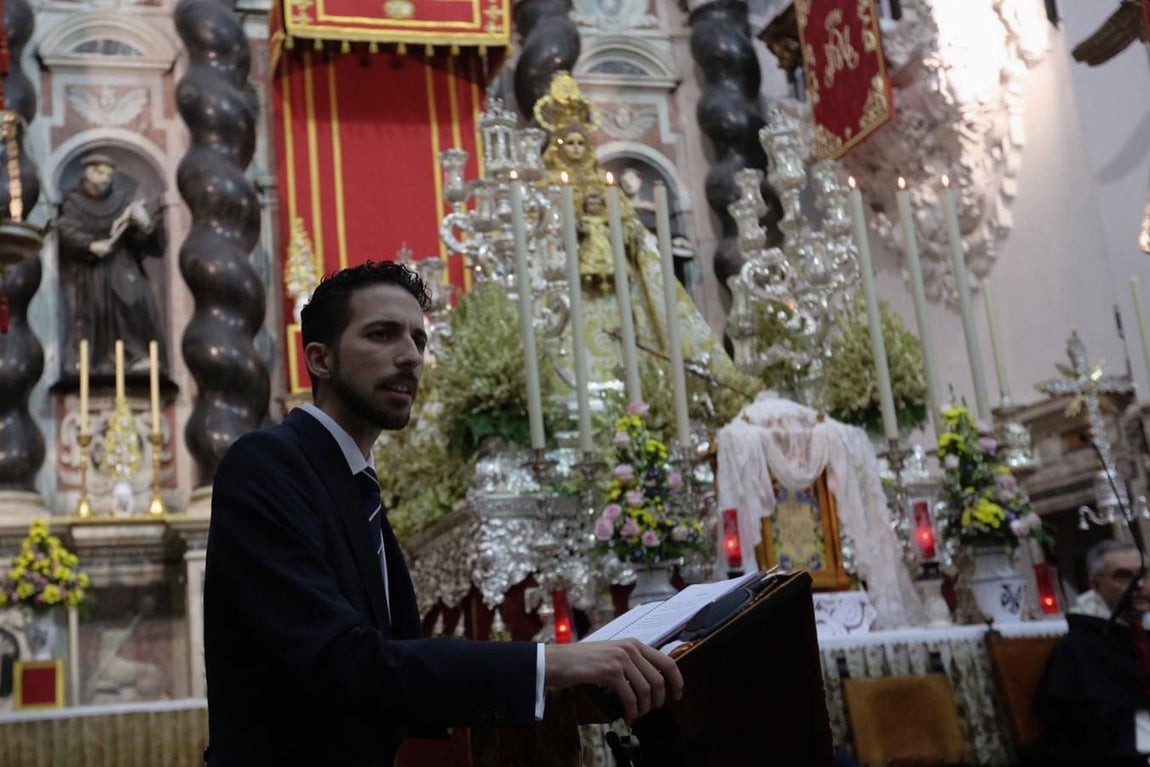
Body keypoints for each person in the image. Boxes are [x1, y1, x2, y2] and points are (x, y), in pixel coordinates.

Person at [203, 260, 683, 766]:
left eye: (418, 340)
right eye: (382, 334)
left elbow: (394, 669)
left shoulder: (355, 484)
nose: (410, 356)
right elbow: (340, 662)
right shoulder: (267, 465)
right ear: (320, 360)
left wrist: (559, 684)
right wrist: (550, 664)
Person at [1036, 539, 1150, 765]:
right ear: (1096, 585)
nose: (1139, 585)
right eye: (1124, 575)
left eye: (1144, 574)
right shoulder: (1080, 646)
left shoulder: (1144, 630)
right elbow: (1083, 727)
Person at [57, 153, 166, 377]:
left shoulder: (123, 201)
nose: (105, 178)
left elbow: (142, 242)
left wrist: (144, 224)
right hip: (90, 272)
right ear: (87, 172)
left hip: (122, 264)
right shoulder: (73, 203)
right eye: (99, 172)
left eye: (108, 173)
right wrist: (90, 245)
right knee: (93, 311)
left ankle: (135, 355)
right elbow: (67, 230)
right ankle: (92, 361)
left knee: (133, 300)